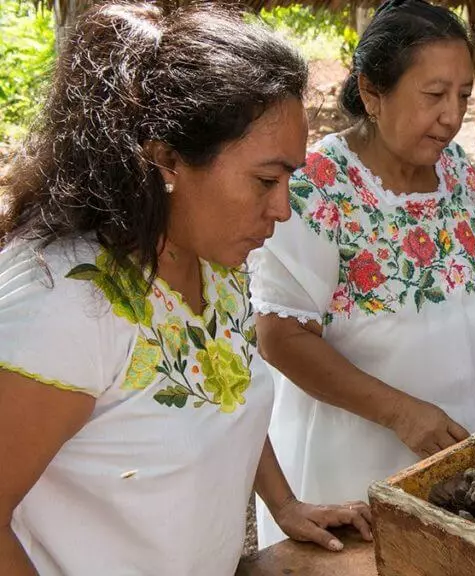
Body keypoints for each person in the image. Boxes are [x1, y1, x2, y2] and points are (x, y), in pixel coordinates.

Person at [0, 4, 374, 575]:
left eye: (290, 180)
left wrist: (285, 503)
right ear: (166, 159)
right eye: (265, 180)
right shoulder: (67, 303)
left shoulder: (215, 262)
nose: (282, 209)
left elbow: (224, 396)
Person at [251, 0, 475, 547]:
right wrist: (400, 414)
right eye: (434, 95)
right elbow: (280, 336)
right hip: (356, 468)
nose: (452, 116)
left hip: (468, 448)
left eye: (463, 97)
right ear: (372, 93)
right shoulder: (314, 188)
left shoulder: (461, 176)